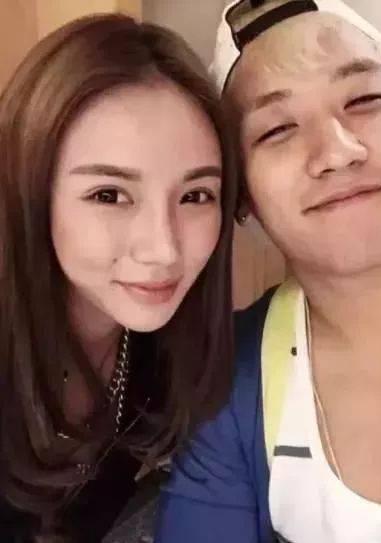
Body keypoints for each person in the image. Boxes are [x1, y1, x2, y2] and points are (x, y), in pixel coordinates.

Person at [155, 1, 381, 542]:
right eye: (278, 129)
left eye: (364, 100)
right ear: (242, 198)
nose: (338, 152)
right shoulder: (228, 383)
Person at [0, 12, 236, 542]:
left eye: (196, 195)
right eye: (109, 195)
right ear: (29, 193)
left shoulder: (172, 349)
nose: (164, 249)